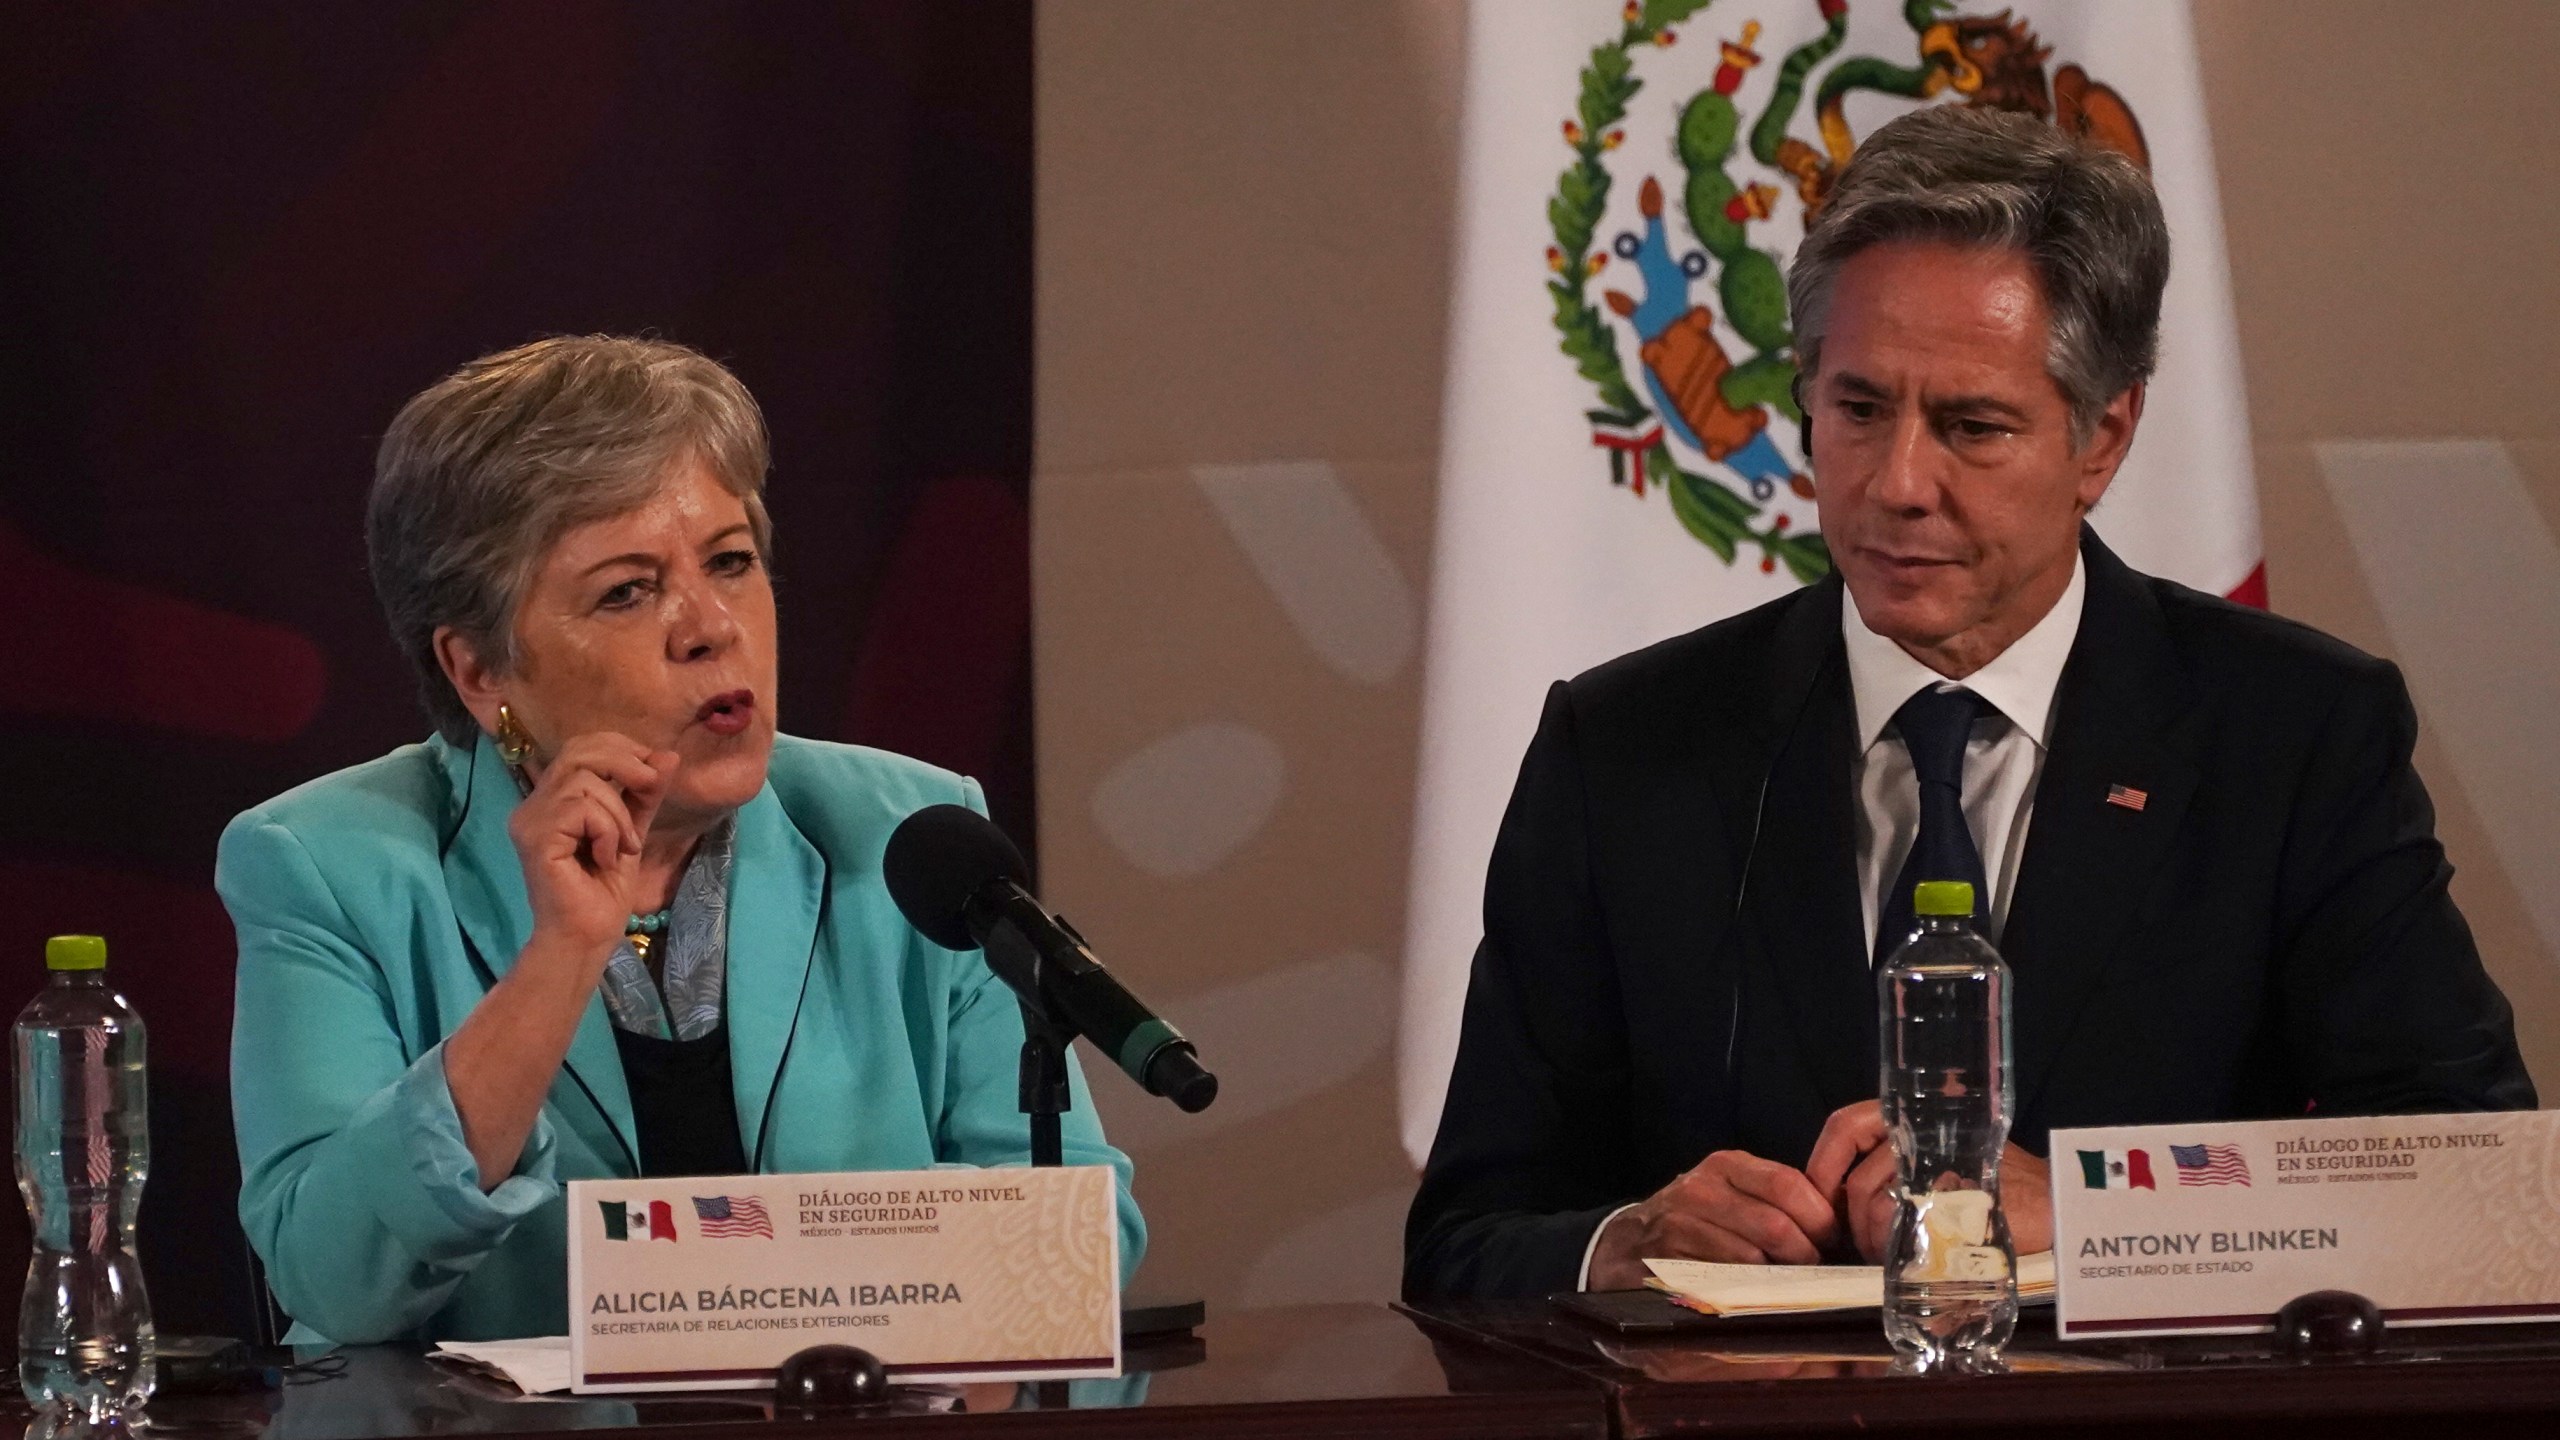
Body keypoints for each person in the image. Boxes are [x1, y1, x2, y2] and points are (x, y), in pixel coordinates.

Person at [1404, 107, 2534, 1301]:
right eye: (1857, 410)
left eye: (1970, 426)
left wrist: (2100, 1209)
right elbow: (1463, 1240)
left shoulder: (2293, 733)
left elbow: (2473, 1180)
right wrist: (1620, 1243)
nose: (1897, 484)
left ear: (2102, 438)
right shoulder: (1625, 749)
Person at [221, 336, 1143, 1343]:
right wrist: (560, 958)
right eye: (627, 590)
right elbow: (331, 1277)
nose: (710, 626)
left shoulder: (911, 835)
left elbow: (1082, 1235)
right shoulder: (329, 866)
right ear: (481, 670)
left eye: (731, 562)